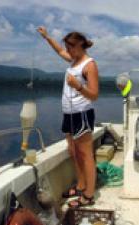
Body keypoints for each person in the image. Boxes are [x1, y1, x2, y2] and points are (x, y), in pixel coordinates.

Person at [37, 26, 99, 207]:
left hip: (82, 114)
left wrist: (78, 86)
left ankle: (88, 195)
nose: (68, 51)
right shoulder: (73, 61)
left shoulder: (89, 65)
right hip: (69, 114)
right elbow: (59, 51)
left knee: (85, 154)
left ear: (80, 45)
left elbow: (94, 95)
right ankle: (80, 185)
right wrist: (47, 37)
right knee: (73, 150)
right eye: (67, 48)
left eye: (71, 47)